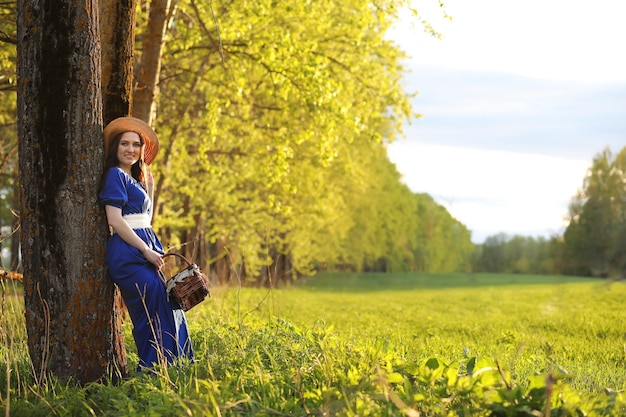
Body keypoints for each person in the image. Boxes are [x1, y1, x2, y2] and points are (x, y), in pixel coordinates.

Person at [99, 117, 194, 371]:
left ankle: (173, 367)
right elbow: (115, 220)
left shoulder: (132, 177)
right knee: (149, 313)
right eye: (124, 144)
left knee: (165, 305)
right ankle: (153, 370)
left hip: (144, 251)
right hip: (129, 254)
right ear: (115, 148)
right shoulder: (115, 176)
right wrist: (145, 249)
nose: (130, 149)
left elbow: (143, 219)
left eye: (136, 144)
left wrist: (149, 190)